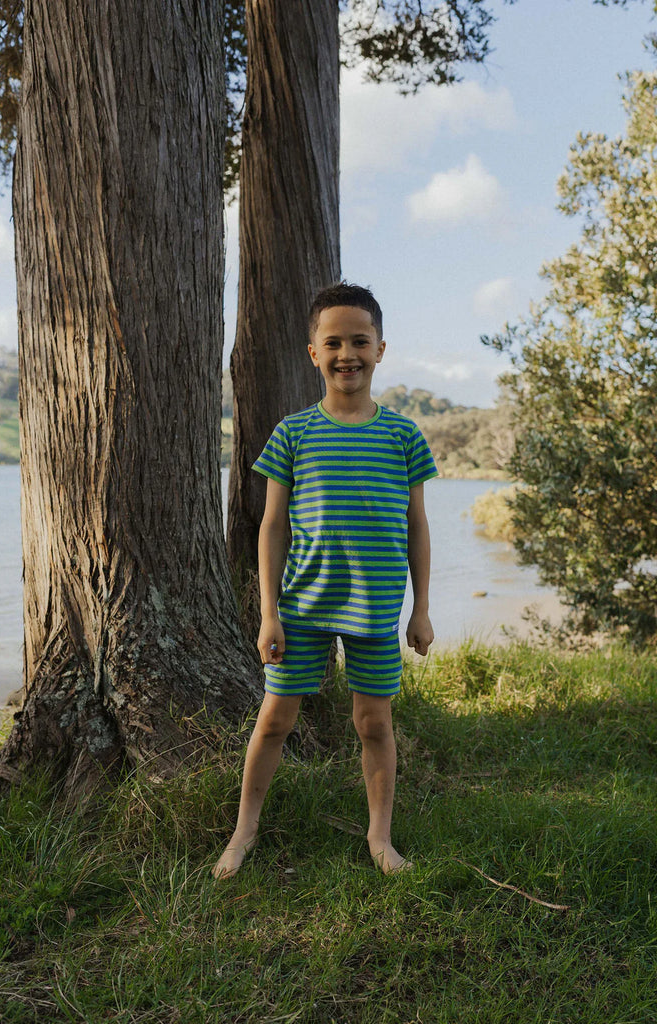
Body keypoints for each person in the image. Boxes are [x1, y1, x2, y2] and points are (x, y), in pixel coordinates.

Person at [212, 282, 437, 879]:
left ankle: (380, 838)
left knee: (374, 723)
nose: (347, 354)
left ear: (381, 348)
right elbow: (271, 527)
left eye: (359, 341)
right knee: (275, 718)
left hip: (376, 610)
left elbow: (417, 526)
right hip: (301, 607)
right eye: (333, 342)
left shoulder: (403, 436)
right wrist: (268, 612)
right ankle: (244, 831)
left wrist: (422, 609)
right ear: (313, 352)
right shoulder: (293, 434)